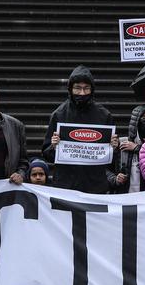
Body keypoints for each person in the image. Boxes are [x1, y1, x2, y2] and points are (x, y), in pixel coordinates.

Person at [43, 66, 122, 194]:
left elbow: (112, 160)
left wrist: (114, 148)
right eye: (77, 88)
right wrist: (53, 146)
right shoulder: (59, 115)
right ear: (70, 89)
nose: (82, 93)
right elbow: (47, 155)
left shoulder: (104, 115)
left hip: (95, 187)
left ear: (92, 89)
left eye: (86, 88)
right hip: (66, 186)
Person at [117, 104, 145, 193]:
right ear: (136, 121)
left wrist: (137, 148)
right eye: (144, 118)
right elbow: (106, 170)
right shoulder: (121, 143)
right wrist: (115, 178)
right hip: (124, 196)